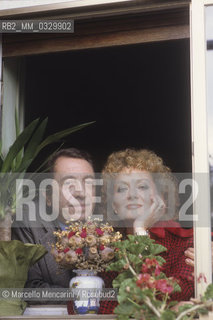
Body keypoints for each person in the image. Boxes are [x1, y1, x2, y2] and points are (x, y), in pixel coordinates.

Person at [101, 148, 194, 307]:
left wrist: (140, 229)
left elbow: (170, 296)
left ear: (161, 196)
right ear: (113, 204)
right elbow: (97, 305)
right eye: (122, 189)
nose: (132, 195)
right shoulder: (105, 246)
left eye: (142, 187)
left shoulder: (185, 244)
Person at [12, 148, 96, 291]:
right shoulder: (28, 224)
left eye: (88, 183)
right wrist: (82, 295)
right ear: (48, 197)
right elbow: (29, 288)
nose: (81, 192)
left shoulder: (106, 231)